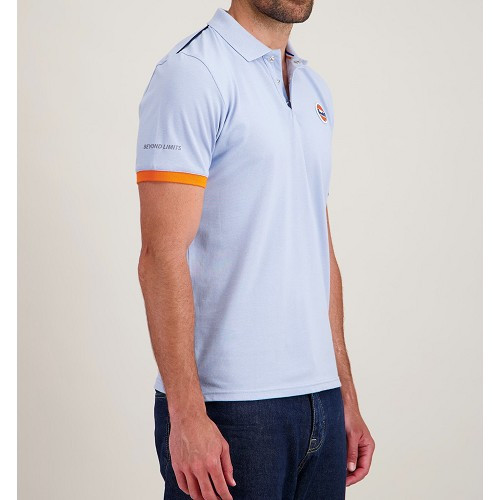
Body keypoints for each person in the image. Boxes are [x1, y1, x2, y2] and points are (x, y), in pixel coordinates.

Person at [136, 1, 374, 498]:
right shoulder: (193, 74)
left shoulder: (312, 87)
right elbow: (161, 256)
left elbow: (318, 247)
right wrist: (187, 415)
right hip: (231, 409)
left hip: (321, 403)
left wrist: (344, 395)